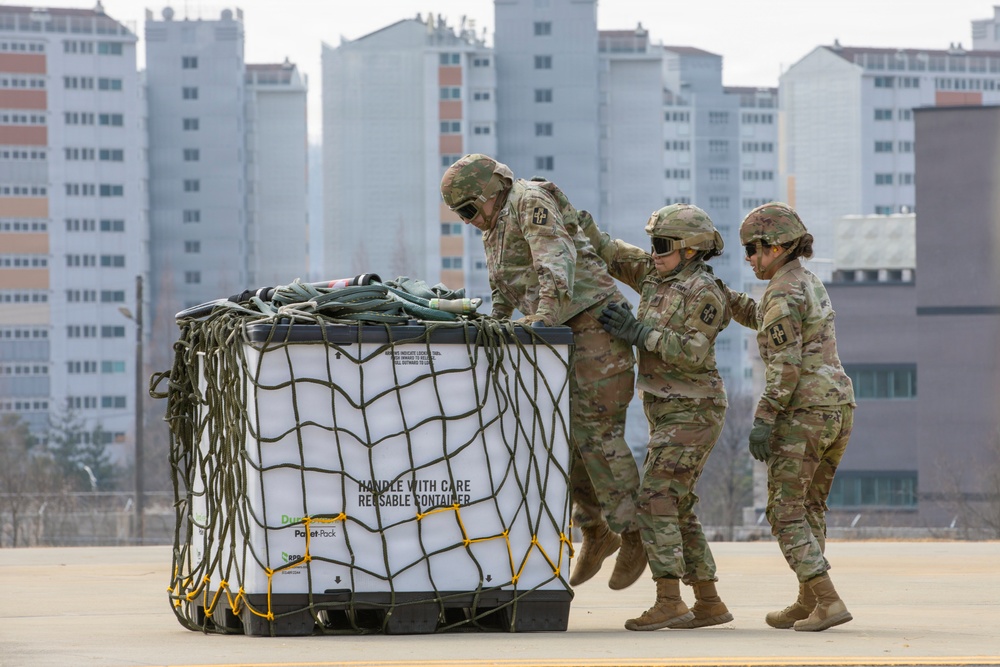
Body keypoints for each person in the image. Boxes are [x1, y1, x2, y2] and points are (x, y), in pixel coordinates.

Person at [440, 154, 645, 590]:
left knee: (597, 435)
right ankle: (595, 529)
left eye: (470, 210)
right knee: (560, 440)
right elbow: (504, 280)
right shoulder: (495, 226)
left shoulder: (528, 201)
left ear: (489, 193)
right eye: (462, 216)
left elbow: (555, 258)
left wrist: (545, 316)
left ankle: (635, 534)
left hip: (593, 325)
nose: (470, 221)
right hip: (556, 335)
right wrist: (496, 319)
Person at [586, 204, 735, 631]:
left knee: (654, 501)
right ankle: (708, 601)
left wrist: (636, 333)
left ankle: (669, 598)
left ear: (689, 251)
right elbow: (610, 252)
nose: (654, 253)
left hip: (694, 409)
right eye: (652, 244)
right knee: (678, 505)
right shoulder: (655, 275)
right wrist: (570, 214)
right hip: (666, 408)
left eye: (662, 245)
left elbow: (692, 352)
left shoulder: (703, 292)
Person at [726, 202, 856, 632]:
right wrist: (729, 302)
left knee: (784, 512)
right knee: (810, 506)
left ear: (777, 246)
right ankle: (808, 601)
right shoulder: (806, 282)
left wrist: (764, 418)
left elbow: (785, 364)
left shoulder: (782, 292)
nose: (748, 256)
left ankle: (828, 599)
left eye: (753, 248)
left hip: (804, 413)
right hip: (837, 408)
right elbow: (772, 323)